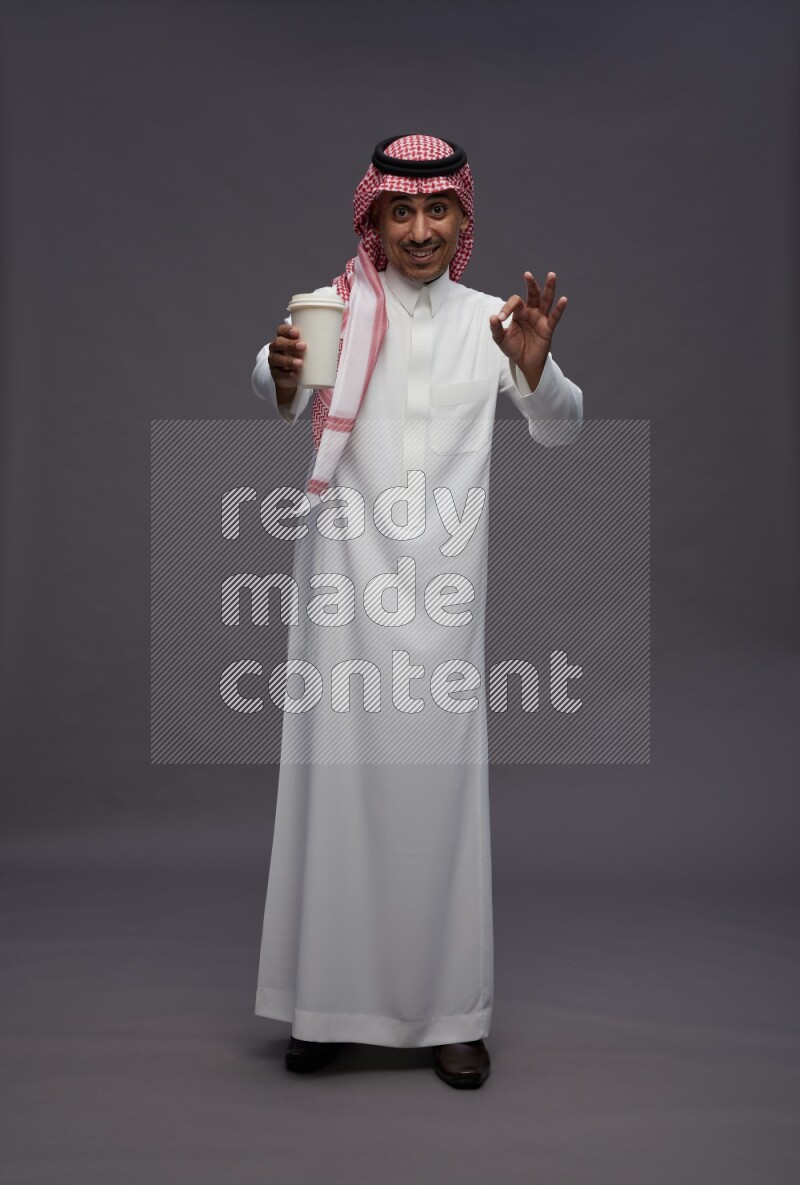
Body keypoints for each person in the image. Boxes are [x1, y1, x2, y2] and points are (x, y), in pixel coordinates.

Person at [251, 134, 583, 1089]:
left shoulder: (495, 320)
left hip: (443, 608)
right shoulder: (336, 308)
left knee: (436, 803)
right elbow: (278, 388)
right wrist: (280, 374)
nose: (421, 229)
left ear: (463, 221)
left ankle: (452, 1015)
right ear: (376, 219)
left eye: (438, 212)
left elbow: (564, 431)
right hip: (339, 599)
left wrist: (536, 369)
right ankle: (323, 1007)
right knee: (334, 794)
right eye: (402, 212)